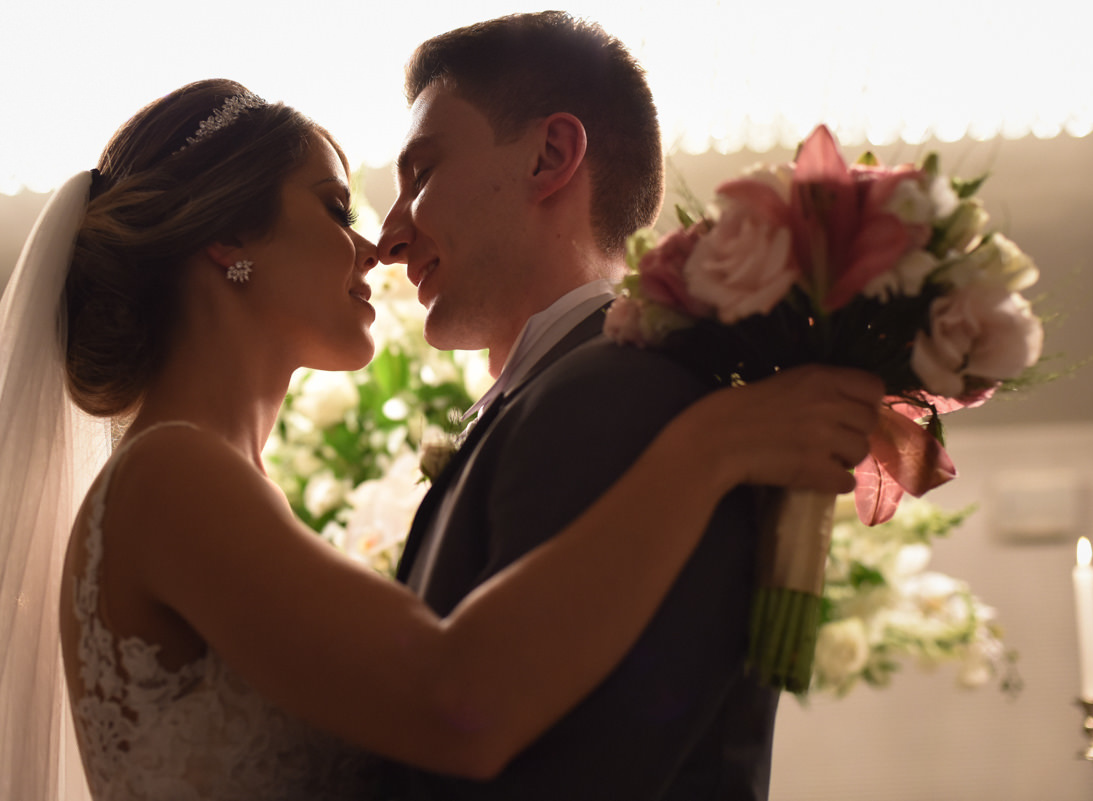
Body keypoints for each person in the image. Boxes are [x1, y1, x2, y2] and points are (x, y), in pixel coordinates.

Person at [0, 78, 881, 801]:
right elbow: (458, 702)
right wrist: (709, 449)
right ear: (228, 243)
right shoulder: (171, 477)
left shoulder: (203, 479)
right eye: (335, 207)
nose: (375, 245)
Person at [374, 12, 878, 800]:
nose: (390, 234)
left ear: (551, 156)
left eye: (422, 174)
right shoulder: (573, 389)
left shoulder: (620, 395)